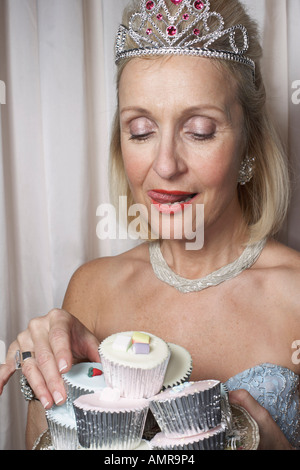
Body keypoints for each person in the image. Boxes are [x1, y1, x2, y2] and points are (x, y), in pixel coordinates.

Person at [0, 0, 299, 450]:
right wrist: (48, 376)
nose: (164, 165)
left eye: (199, 130)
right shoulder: (92, 290)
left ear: (250, 144)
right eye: (140, 130)